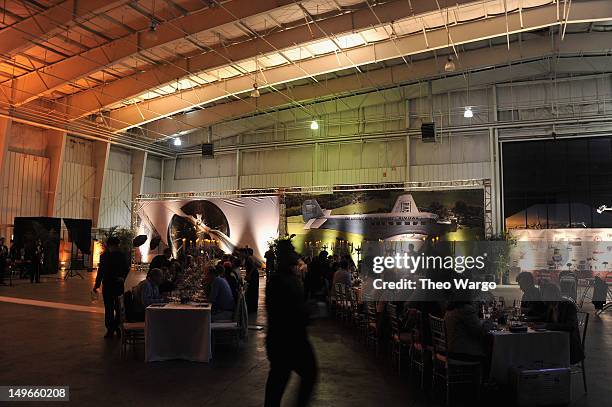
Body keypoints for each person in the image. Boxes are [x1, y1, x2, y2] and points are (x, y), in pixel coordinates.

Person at [265, 239, 317, 407]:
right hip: (289, 340)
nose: (295, 254)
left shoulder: (285, 278)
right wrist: (306, 310)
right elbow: (285, 312)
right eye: (291, 251)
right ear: (284, 256)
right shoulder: (281, 280)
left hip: (286, 339)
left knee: (278, 381)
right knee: (288, 378)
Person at [93, 237, 130, 338]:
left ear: (109, 245)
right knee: (119, 307)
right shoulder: (122, 256)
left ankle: (110, 329)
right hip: (118, 284)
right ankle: (116, 327)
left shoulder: (105, 256)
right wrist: (122, 278)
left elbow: (101, 272)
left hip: (108, 284)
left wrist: (97, 285)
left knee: (109, 307)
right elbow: (127, 268)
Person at [541, 283, 585, 365]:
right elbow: (543, 318)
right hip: (556, 342)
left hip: (569, 346)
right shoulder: (552, 306)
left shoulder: (568, 306)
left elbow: (570, 326)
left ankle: (550, 372)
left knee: (540, 351)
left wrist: (546, 326)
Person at [245, 248, 259, 313]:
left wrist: (249, 275)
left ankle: (251, 307)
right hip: (255, 275)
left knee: (252, 290)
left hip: (253, 276)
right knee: (254, 291)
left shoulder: (249, 258)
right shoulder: (253, 257)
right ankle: (254, 307)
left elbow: (253, 266)